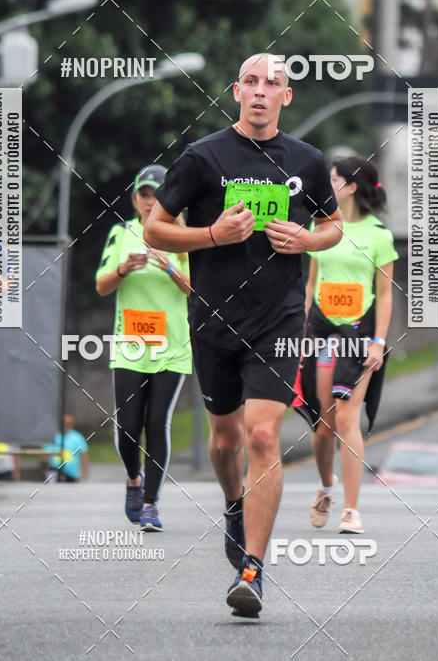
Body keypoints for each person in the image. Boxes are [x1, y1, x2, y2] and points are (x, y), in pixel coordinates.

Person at [144, 53, 342, 618]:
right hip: (213, 320)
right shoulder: (203, 157)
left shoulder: (307, 160)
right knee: (226, 440)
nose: (260, 91)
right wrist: (212, 234)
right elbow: (155, 230)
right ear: (236, 92)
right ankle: (235, 501)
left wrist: (308, 241)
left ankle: (252, 570)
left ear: (286, 96)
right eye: (251, 82)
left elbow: (333, 225)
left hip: (280, 319)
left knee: (261, 436)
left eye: (272, 83)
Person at [294, 156, 398, 535]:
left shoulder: (379, 235)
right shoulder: (321, 226)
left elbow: (385, 295)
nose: (328, 183)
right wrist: (300, 332)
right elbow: (311, 285)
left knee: (346, 418)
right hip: (322, 331)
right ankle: (326, 487)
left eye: (334, 179)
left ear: (351, 187)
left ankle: (351, 510)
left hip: (359, 334)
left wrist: (378, 343)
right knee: (324, 425)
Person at [96, 164, 192, 531]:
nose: (151, 202)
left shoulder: (184, 236)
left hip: (172, 347)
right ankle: (133, 479)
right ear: (135, 198)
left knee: (156, 423)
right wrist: (123, 269)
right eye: (145, 194)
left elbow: (195, 288)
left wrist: (169, 267)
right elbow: (101, 286)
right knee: (128, 428)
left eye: (158, 194)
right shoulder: (121, 233)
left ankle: (151, 504)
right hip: (131, 345)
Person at [44, 414, 89, 482]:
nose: (66, 425)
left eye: (68, 423)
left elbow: (83, 455)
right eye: (64, 423)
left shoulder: (77, 437)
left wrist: (84, 473)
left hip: (72, 474)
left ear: (72, 424)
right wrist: (47, 469)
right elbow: (45, 454)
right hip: (55, 472)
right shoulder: (53, 436)